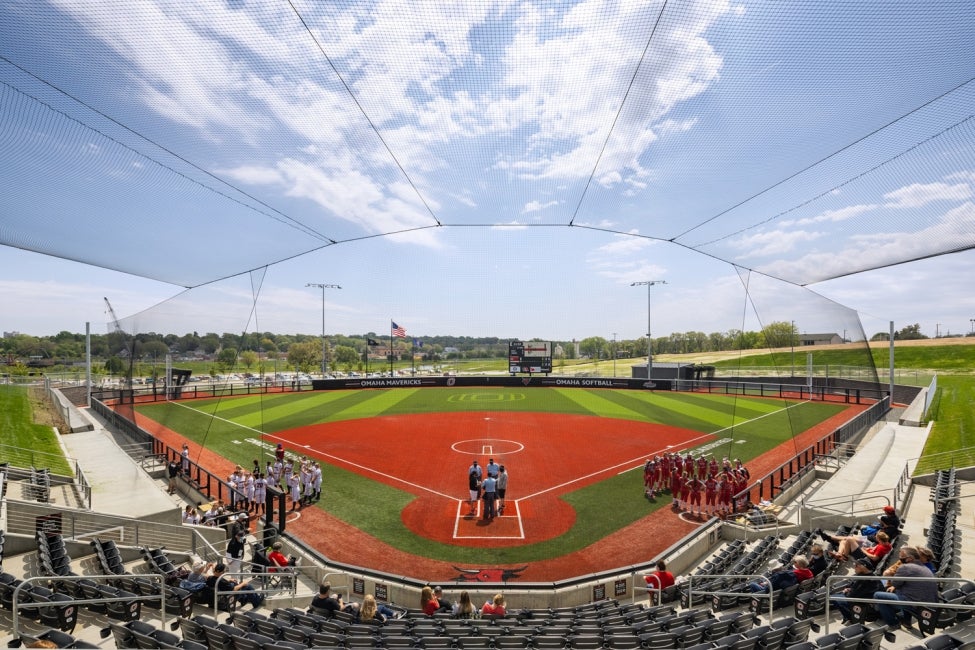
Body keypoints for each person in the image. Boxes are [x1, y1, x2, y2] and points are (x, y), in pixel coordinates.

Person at [873, 546, 939, 630]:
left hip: (917, 605)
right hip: (928, 605)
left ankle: (893, 623)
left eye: (902, 557)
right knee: (901, 592)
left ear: (910, 558)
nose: (900, 559)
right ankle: (905, 621)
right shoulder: (926, 567)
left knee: (878, 595)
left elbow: (895, 584)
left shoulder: (905, 567)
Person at [830, 558, 882, 624]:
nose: (854, 568)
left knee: (835, 598)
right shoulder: (866, 576)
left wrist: (847, 591)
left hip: (863, 606)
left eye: (856, 566)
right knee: (836, 596)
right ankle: (848, 618)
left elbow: (851, 595)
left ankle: (852, 619)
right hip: (858, 600)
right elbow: (853, 588)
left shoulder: (866, 579)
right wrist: (849, 589)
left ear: (863, 567)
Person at [820, 530, 891, 566]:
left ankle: (844, 556)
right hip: (866, 551)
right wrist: (868, 549)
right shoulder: (887, 544)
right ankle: (840, 554)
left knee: (849, 539)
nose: (876, 540)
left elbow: (875, 558)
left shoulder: (882, 547)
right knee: (843, 541)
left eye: (877, 539)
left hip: (865, 558)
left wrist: (864, 551)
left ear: (880, 540)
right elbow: (875, 549)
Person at [747, 557, 813, 593]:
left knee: (752, 584)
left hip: (768, 591)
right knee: (764, 580)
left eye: (795, 562)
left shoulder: (796, 573)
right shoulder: (790, 574)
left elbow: (768, 588)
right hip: (778, 589)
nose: (794, 563)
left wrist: (765, 584)